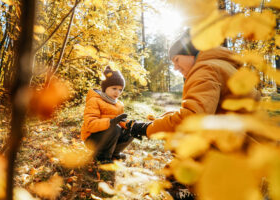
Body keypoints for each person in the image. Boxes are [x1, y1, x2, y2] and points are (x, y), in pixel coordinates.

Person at [127, 29, 260, 139]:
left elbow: (193, 118)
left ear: (190, 53)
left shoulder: (206, 69)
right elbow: (200, 110)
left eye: (177, 60)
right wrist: (157, 122)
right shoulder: (220, 65)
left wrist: (146, 128)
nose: (175, 67)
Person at [81, 66, 133, 163]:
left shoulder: (119, 104)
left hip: (111, 135)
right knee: (115, 128)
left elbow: (121, 122)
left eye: (120, 89)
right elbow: (90, 124)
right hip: (93, 138)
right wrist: (110, 122)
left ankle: (114, 153)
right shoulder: (95, 100)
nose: (117, 92)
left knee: (132, 130)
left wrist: (131, 125)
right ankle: (101, 157)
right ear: (105, 88)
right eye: (114, 88)